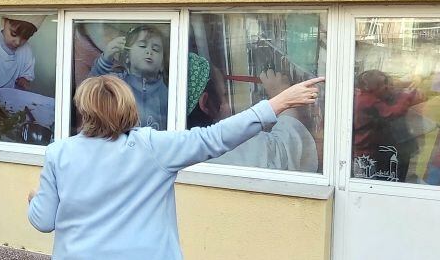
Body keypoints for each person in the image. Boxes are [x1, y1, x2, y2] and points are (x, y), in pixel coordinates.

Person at [28, 74, 323, 259]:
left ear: (83, 109)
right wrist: (278, 103)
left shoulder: (59, 153)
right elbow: (216, 137)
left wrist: (34, 200)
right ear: (128, 107)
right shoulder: (153, 147)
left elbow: (43, 221)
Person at [186, 53, 318, 172]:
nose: (230, 106)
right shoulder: (224, 148)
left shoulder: (182, 145)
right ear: (205, 103)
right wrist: (282, 96)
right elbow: (285, 151)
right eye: (225, 95)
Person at [89, 25, 168, 129]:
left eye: (155, 49)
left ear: (162, 64)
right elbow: (90, 91)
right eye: (142, 46)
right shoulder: (118, 83)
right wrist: (106, 59)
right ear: (127, 57)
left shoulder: (166, 92)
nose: (149, 51)